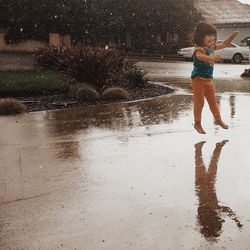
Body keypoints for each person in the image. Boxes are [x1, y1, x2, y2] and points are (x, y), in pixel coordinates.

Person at [190, 21, 240, 134]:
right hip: (198, 80)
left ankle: (218, 120)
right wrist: (211, 58)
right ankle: (197, 123)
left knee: (213, 102)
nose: (212, 38)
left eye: (213, 35)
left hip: (209, 80)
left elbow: (225, 44)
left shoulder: (212, 47)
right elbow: (200, 57)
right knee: (199, 103)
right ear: (201, 37)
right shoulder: (199, 48)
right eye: (209, 35)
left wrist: (233, 36)